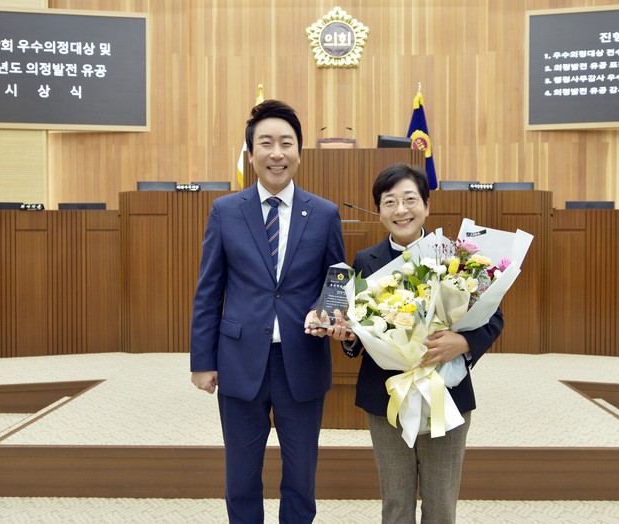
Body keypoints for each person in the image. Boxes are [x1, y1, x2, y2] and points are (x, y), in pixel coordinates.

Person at [190, 99, 346, 523]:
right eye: (266, 143)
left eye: (286, 143)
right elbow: (209, 291)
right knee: (241, 475)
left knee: (301, 475)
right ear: (251, 152)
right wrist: (202, 361)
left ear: (299, 152)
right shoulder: (226, 211)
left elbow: (336, 283)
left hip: (303, 357)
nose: (277, 153)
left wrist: (325, 313)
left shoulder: (324, 213)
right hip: (240, 359)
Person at [323, 162, 503, 524]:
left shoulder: (456, 256)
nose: (401, 210)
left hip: (446, 394)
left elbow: (493, 317)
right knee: (396, 504)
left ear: (426, 205)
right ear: (379, 211)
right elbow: (360, 329)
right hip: (386, 397)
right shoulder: (365, 261)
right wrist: (348, 337)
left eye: (409, 199)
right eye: (390, 202)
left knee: (441, 505)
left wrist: (462, 342)